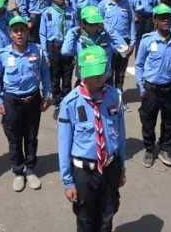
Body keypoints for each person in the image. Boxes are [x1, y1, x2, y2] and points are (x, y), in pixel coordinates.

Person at [57, 45, 126, 232]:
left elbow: (120, 135)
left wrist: (121, 167)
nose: (99, 77)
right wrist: (68, 181)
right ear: (82, 74)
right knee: (86, 219)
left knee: (107, 215)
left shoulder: (114, 97)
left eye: (101, 72)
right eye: (94, 74)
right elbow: (63, 147)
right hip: (84, 174)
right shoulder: (70, 103)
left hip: (110, 167)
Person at [0, 16, 52, 192]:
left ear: (27, 32)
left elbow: (45, 74)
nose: (19, 34)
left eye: (22, 30)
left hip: (33, 100)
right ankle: (18, 171)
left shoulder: (38, 51)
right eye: (15, 30)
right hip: (12, 102)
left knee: (32, 137)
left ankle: (30, 169)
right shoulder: (3, 55)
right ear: (10, 34)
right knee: (15, 138)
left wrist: (47, 95)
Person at [135, 3, 171, 168]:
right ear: (155, 20)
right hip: (151, 89)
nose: (166, 21)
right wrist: (141, 87)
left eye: (168, 18)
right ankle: (149, 149)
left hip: (170, 89)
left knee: (170, 120)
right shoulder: (147, 40)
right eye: (162, 18)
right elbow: (139, 65)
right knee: (148, 121)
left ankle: (165, 147)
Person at [40, 0, 77, 118]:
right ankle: (57, 102)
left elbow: (75, 31)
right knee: (55, 77)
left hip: (67, 48)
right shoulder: (47, 13)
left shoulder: (71, 11)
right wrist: (45, 53)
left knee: (67, 77)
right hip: (53, 48)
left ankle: (66, 102)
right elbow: (43, 34)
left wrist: (75, 52)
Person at [99, 0, 134, 90]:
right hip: (108, 43)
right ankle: (109, 99)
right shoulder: (103, 5)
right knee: (108, 72)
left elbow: (132, 22)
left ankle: (119, 98)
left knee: (120, 73)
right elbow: (98, 25)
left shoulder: (127, 4)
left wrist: (132, 43)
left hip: (124, 42)